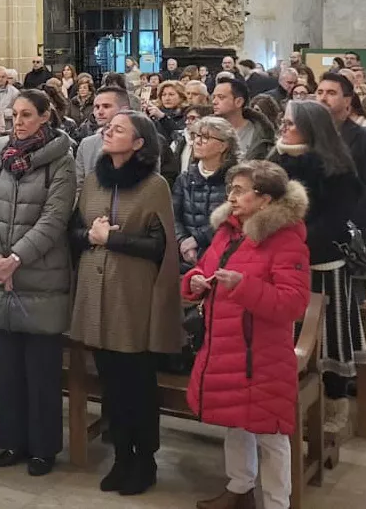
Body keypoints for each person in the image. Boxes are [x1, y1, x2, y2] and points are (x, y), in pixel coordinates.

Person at [182, 161, 310, 509]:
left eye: (240, 190)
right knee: (235, 423)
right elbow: (207, 268)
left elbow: (293, 303)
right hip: (225, 346)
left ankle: (277, 502)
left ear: (265, 199)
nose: (231, 196)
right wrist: (194, 281)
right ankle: (239, 489)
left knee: (270, 434)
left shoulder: (285, 239)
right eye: (231, 189)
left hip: (263, 353)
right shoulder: (229, 230)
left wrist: (243, 286)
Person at [69, 111, 181, 495]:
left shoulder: (154, 185)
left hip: (132, 295)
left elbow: (160, 246)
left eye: (118, 129)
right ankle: (120, 457)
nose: (107, 131)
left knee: (137, 383)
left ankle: (144, 460)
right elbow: (75, 231)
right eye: (108, 127)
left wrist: (110, 240)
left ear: (139, 143)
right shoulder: (93, 180)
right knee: (110, 381)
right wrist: (91, 236)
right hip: (94, 291)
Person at [0, 89, 77, 477]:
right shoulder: (2, 154)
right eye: (14, 115)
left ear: (44, 117)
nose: (18, 122)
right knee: (6, 369)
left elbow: (54, 219)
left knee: (41, 371)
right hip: (0, 272)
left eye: (26, 116)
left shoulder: (61, 161)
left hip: (40, 274)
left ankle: (43, 448)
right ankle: (12, 441)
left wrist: (16, 257)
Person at [270, 99, 366, 435]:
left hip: (321, 260)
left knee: (328, 337)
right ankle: (286, 400)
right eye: (282, 122)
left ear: (311, 128)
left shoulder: (337, 168)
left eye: (290, 123)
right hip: (280, 262)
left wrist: (293, 242)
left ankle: (336, 404)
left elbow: (334, 220)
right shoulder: (274, 161)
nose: (283, 128)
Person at [316, 72, 366, 245]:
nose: (323, 98)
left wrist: (346, 222)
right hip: (312, 226)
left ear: (347, 100)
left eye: (331, 93)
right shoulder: (305, 136)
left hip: (349, 227)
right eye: (320, 92)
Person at [173, 117, 239, 274]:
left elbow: (235, 220)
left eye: (206, 137)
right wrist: (183, 242)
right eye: (196, 136)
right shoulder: (185, 178)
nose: (198, 141)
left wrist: (198, 239)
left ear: (223, 145)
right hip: (185, 256)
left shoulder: (237, 179)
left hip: (225, 259)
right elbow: (173, 216)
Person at [75, 87, 130, 186]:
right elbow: (79, 186)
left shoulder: (139, 142)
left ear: (124, 109)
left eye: (106, 106)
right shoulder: (86, 144)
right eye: (96, 107)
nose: (99, 112)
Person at [211, 78, 275, 161]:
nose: (214, 101)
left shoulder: (260, 133)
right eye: (214, 97)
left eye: (221, 97)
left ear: (239, 102)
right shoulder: (206, 131)